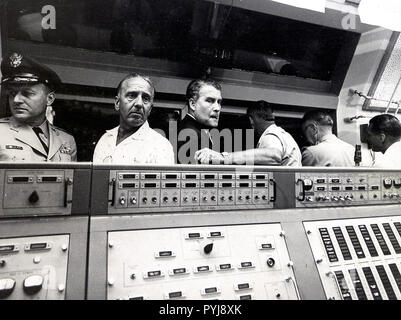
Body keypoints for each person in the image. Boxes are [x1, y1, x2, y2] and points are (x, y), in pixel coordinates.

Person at [0, 52, 77, 162]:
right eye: (12, 93)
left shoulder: (66, 140)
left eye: (27, 94)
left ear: (49, 99)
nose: (16, 100)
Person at [93, 73, 174, 164]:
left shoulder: (160, 146)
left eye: (145, 98)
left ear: (150, 109)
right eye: (131, 96)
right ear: (117, 103)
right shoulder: (105, 139)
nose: (139, 103)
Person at [195, 100, 302, 166]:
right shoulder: (285, 135)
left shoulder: (270, 136)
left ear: (251, 120)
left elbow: (274, 155)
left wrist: (223, 158)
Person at [177, 78, 222, 164]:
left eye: (219, 102)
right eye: (210, 101)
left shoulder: (190, 129)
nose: (217, 108)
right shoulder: (191, 135)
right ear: (193, 104)